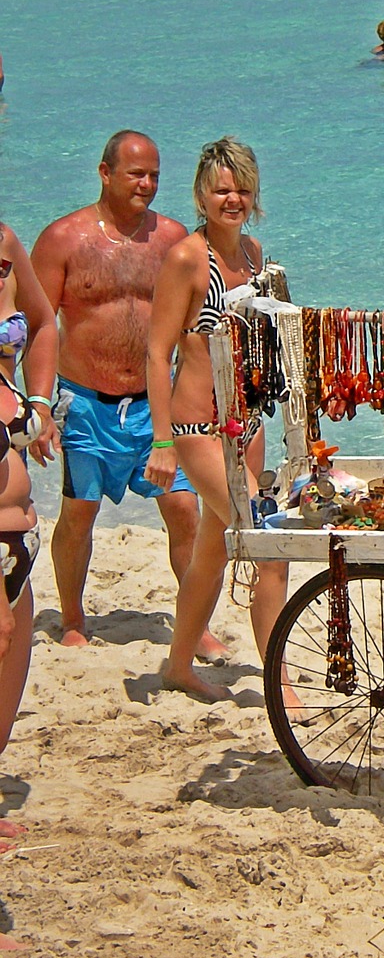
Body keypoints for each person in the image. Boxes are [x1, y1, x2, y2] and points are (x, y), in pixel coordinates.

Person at [31, 130, 227, 661]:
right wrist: (39, 406)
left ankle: (193, 626)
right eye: (136, 174)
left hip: (154, 405)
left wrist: (209, 407)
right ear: (104, 173)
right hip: (86, 404)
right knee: (79, 513)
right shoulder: (62, 239)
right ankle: (72, 618)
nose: (147, 184)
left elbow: (198, 330)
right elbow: (39, 328)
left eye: (156, 175)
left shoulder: (173, 240)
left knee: (186, 510)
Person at [144, 138, 288, 703]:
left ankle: (178, 665)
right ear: (202, 195)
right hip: (196, 430)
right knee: (267, 540)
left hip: (246, 426)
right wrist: (160, 441)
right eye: (222, 189)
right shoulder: (186, 258)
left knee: (212, 546)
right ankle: (280, 686)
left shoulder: (254, 254)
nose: (233, 198)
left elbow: (278, 341)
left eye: (243, 188)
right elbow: (157, 353)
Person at [0, 218, 58, 849]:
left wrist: (38, 404)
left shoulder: (5, 242)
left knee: (11, 662)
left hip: (21, 527)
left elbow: (44, 325)